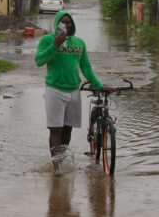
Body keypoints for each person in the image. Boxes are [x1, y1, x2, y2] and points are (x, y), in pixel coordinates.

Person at [35, 10, 111, 163]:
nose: (66, 25)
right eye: (62, 22)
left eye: (68, 22)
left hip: (74, 91)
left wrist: (99, 85)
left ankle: (61, 161)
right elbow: (39, 61)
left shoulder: (79, 43)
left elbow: (86, 68)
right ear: (57, 23)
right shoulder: (47, 40)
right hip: (54, 90)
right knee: (56, 129)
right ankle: (56, 168)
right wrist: (55, 44)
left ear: (73, 24)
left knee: (68, 129)